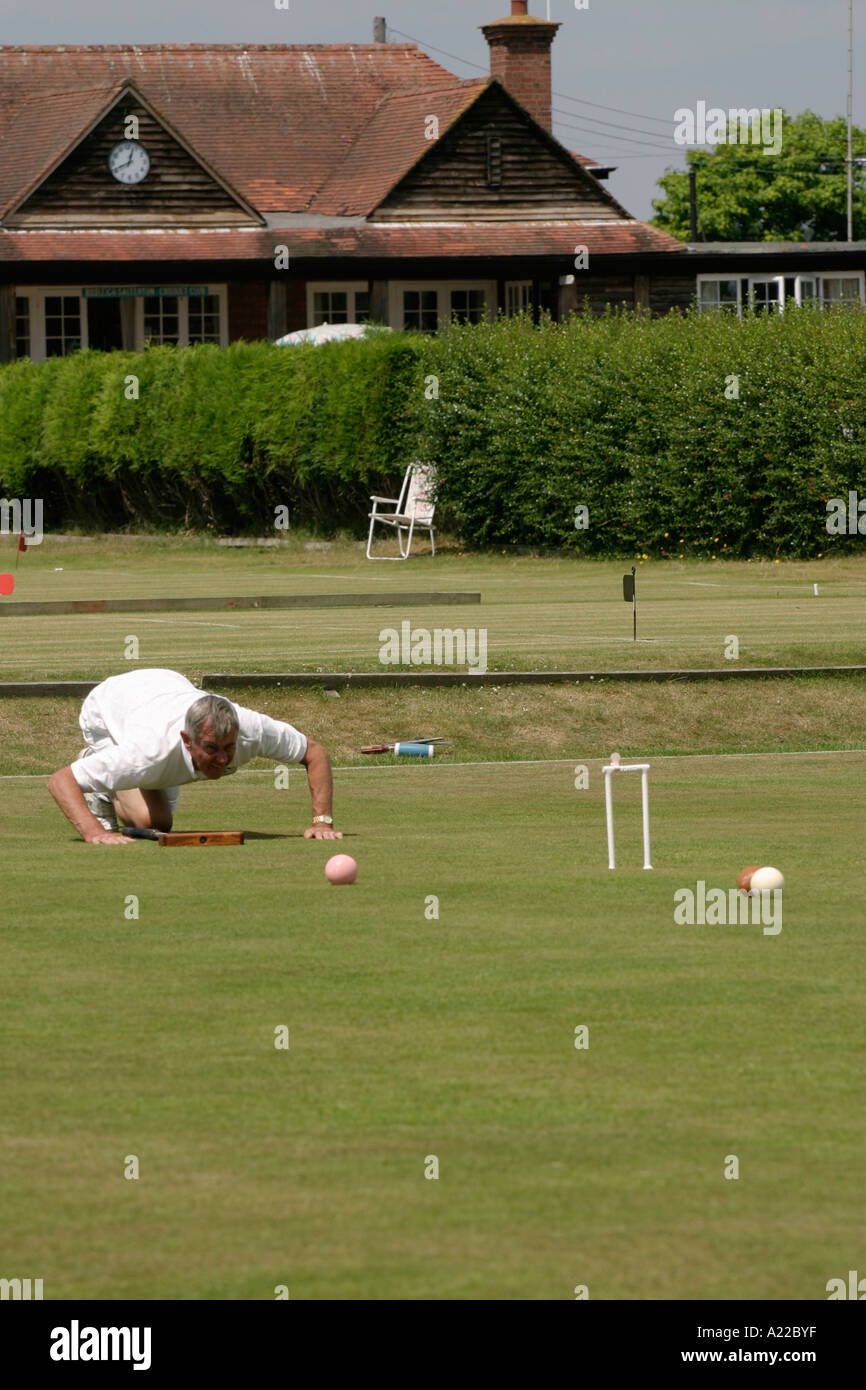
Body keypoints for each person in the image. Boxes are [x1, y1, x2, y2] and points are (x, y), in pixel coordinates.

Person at [47, 668, 342, 845]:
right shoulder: (146, 751)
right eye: (212, 749)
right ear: (187, 741)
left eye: (229, 748)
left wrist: (322, 822)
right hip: (108, 706)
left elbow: (314, 753)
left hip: (165, 684)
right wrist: (94, 831)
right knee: (152, 820)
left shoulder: (253, 730)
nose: (223, 759)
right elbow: (61, 781)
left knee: (158, 818)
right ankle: (97, 774)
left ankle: (110, 779)